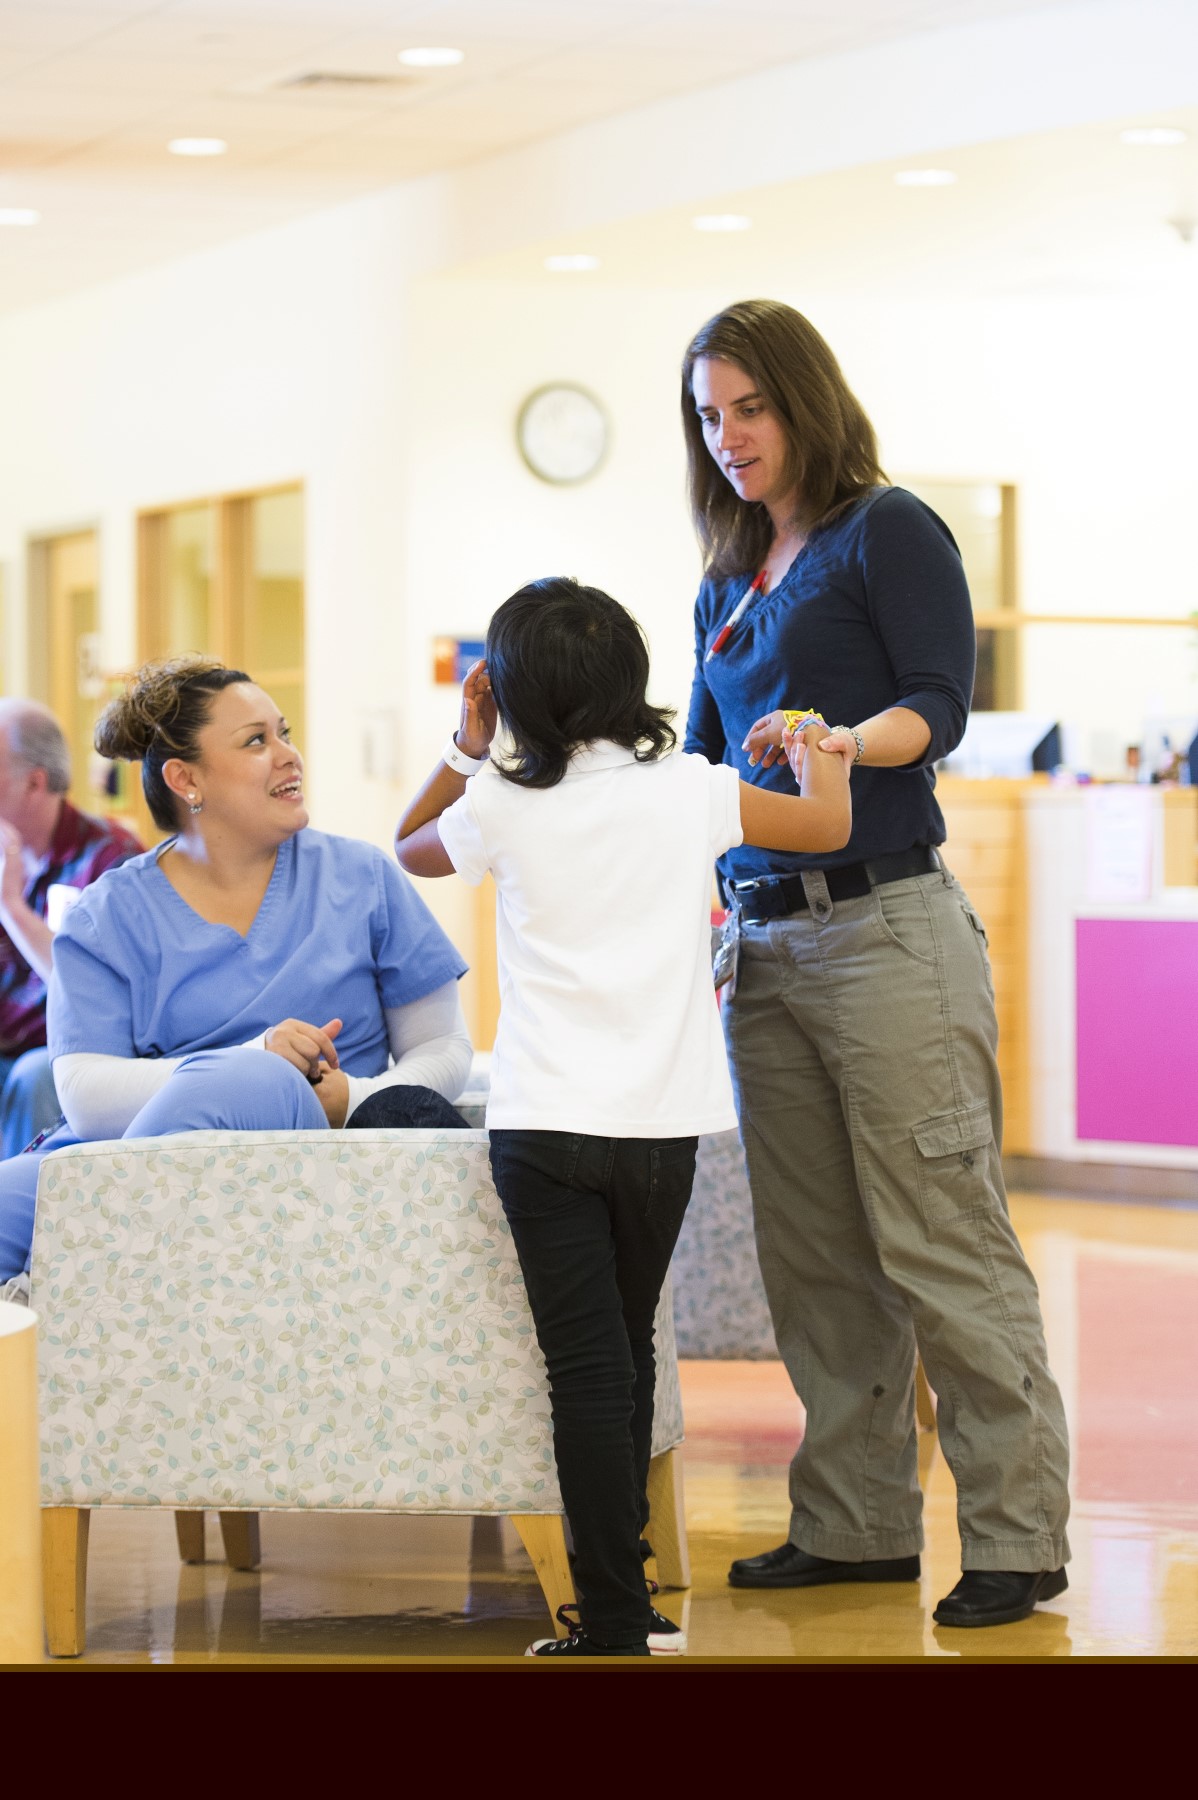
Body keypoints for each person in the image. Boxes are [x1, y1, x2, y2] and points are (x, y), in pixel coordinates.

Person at [680, 298, 1071, 1630]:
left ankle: (1017, 1537)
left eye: (749, 407)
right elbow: (696, 769)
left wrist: (844, 740)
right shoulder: (725, 576)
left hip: (886, 929)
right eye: (708, 415)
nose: (729, 437)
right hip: (763, 943)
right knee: (813, 1256)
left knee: (939, 1240)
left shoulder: (882, 529)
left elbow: (938, 702)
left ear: (802, 400)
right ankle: (852, 1526)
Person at [396, 577, 850, 1657]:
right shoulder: (689, 788)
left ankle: (608, 1616)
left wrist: (465, 744)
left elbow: (408, 849)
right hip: (663, 1127)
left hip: (546, 1126)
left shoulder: (503, 797)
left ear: (513, 692)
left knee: (588, 1369)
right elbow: (826, 824)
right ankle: (626, 1600)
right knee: (630, 1357)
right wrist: (819, 746)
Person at [0, 657, 472, 1300]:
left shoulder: (362, 878)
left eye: (284, 732)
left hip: (307, 1155)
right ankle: (78, 1274)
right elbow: (84, 1092)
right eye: (257, 741)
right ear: (185, 778)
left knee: (257, 1079)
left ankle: (85, 1274)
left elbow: (444, 1048)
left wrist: (356, 1098)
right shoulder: (107, 913)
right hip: (132, 1159)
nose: (289, 755)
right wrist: (254, 1052)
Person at [0, 699, 141, 1160]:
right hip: (10, 1044)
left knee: (37, 1074)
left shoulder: (109, 862)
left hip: (74, 1053)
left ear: (34, 783)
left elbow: (86, 993)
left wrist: (13, 910)